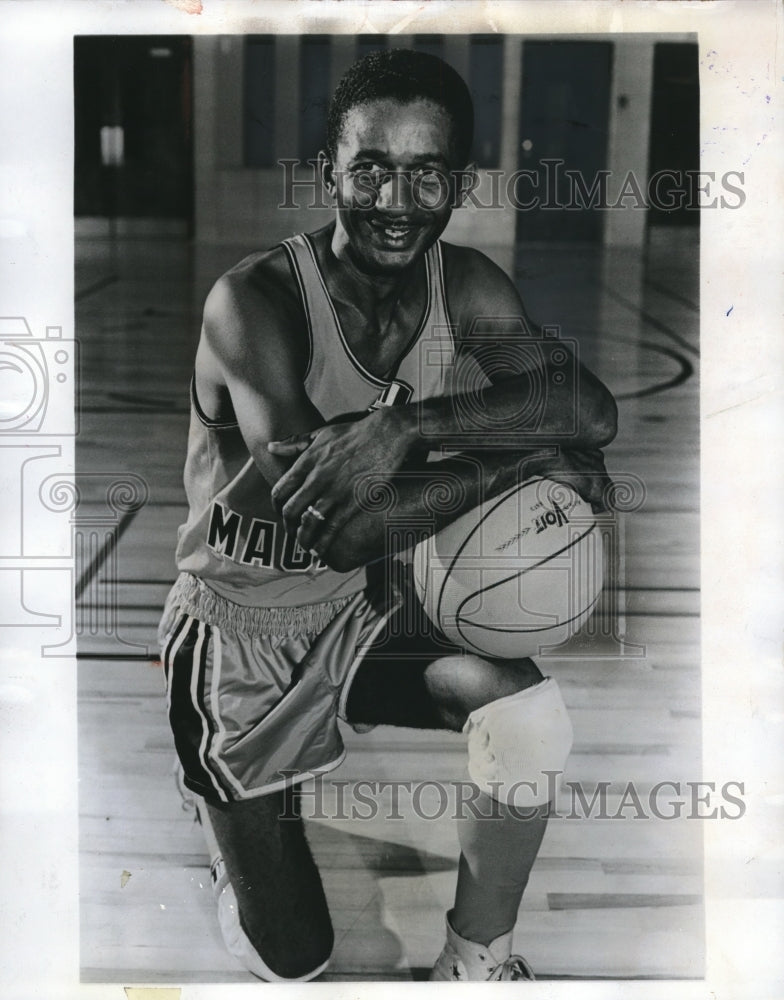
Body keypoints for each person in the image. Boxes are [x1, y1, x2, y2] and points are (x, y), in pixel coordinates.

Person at [158, 48, 617, 982]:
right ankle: (222, 824)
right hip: (239, 641)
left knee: (529, 717)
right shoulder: (255, 303)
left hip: (367, 611)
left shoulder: (467, 287)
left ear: (459, 182)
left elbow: (593, 410)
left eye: (426, 172)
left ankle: (474, 959)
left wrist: (411, 425)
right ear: (328, 170)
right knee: (298, 960)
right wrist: (524, 457)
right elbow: (340, 528)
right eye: (370, 167)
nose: (395, 200)